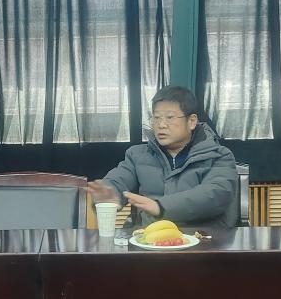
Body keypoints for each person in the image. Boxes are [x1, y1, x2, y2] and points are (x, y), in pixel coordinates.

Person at [87, 86, 239, 228]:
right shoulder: (137, 156)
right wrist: (109, 194)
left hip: (203, 241)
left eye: (170, 117)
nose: (161, 125)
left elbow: (216, 194)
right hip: (150, 240)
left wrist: (160, 207)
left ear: (192, 121)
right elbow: (118, 181)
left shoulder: (218, 156)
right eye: (156, 118)